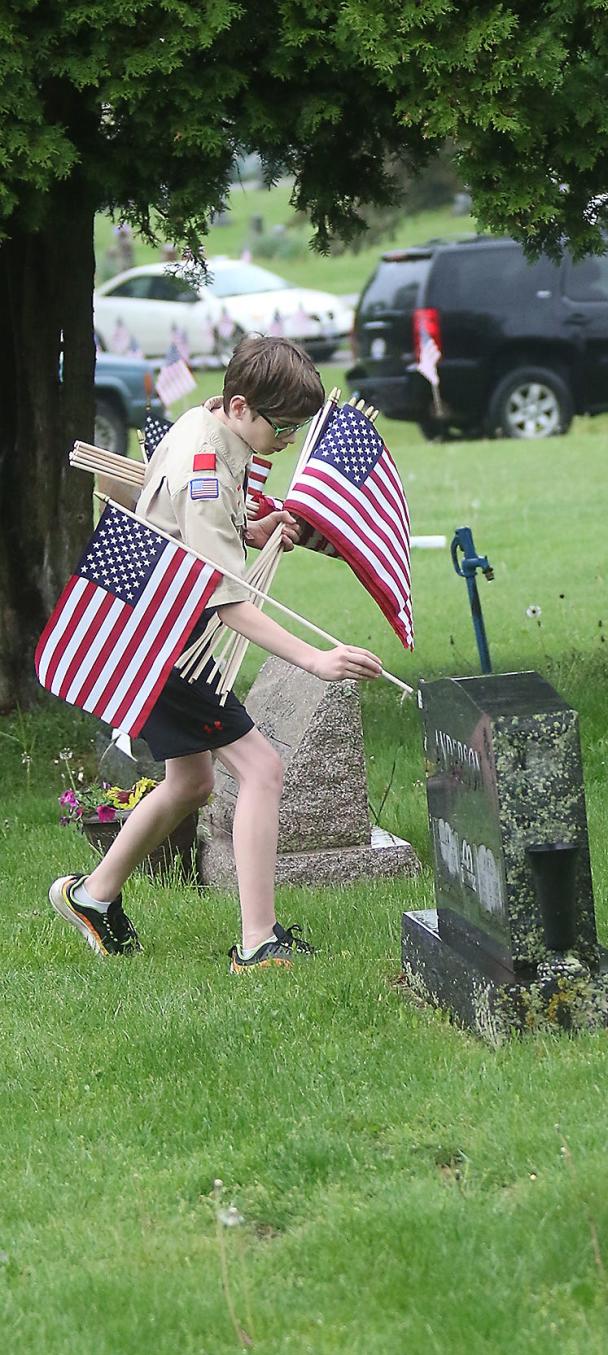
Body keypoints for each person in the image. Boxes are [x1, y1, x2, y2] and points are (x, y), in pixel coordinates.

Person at [50, 336, 383, 969]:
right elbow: (224, 602)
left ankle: (93, 897)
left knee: (193, 781)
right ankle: (259, 943)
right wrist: (316, 660)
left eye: (295, 428)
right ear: (238, 405)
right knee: (261, 770)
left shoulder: (202, 424)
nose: (286, 441)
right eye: (281, 427)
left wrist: (251, 531)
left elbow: (198, 534)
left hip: (152, 631)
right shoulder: (207, 462)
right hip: (171, 644)